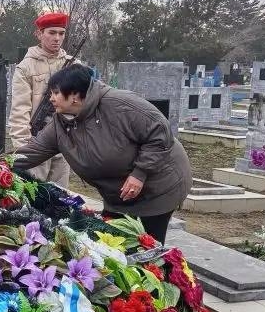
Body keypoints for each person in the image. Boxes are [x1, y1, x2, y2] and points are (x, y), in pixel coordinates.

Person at [12, 65, 191, 243]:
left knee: (147, 248)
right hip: (119, 197)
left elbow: (160, 132)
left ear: (74, 95)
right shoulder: (61, 123)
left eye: (55, 93)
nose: (50, 98)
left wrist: (140, 173)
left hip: (158, 188)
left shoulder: (119, 104)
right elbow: (33, 151)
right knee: (111, 245)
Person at [7, 11, 78, 187]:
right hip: (35, 141)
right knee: (35, 195)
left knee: (61, 197)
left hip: (64, 142)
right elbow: (19, 109)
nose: (57, 38)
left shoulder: (73, 66)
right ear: (39, 34)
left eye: (61, 33)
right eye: (51, 33)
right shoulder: (25, 67)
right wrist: (23, 146)